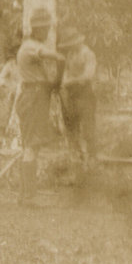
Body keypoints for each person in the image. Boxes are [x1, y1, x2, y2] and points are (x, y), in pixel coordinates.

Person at [16, 8, 65, 200]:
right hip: (34, 96)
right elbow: (60, 58)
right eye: (45, 29)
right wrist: (57, 82)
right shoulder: (31, 46)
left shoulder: (29, 46)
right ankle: (28, 196)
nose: (46, 33)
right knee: (31, 146)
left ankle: (25, 194)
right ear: (37, 30)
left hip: (33, 95)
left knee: (30, 145)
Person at [57, 26, 98, 166]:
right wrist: (65, 83)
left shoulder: (88, 54)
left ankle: (92, 157)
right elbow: (66, 74)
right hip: (71, 95)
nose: (69, 47)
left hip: (85, 94)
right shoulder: (71, 54)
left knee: (88, 128)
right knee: (72, 127)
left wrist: (70, 81)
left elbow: (88, 75)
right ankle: (78, 158)